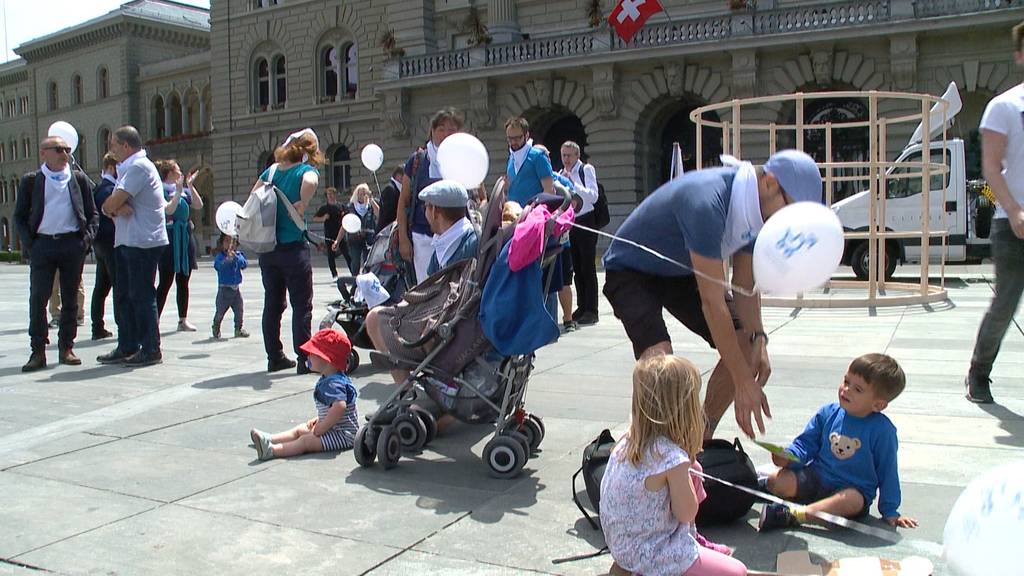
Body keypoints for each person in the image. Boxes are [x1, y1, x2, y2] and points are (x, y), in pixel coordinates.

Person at [602, 150, 823, 439]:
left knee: (745, 344)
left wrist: (758, 338)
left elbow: (744, 285)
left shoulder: (758, 209)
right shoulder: (707, 201)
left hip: (679, 270)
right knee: (661, 366)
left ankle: (700, 436)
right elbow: (712, 302)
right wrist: (742, 380)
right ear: (770, 183)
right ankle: (645, 447)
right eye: (791, 209)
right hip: (631, 270)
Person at [601, 354, 748, 576]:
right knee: (738, 571)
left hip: (621, 547)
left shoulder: (626, 441)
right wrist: (685, 467)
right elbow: (687, 512)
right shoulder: (672, 459)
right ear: (683, 409)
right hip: (653, 553)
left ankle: (691, 541)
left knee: (695, 469)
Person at [758, 353, 918, 532]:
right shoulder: (828, 412)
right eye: (846, 381)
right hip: (816, 477)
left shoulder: (883, 431)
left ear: (878, 405)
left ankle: (795, 515)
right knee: (777, 480)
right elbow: (806, 444)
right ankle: (761, 487)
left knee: (852, 501)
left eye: (858, 389)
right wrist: (788, 458)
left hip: (851, 489)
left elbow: (888, 470)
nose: (846, 390)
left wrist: (890, 509)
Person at [365, 180, 479, 391]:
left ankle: (407, 391)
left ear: (435, 211)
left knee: (374, 319)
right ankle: (407, 391)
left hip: (447, 328)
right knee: (378, 317)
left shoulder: (469, 242)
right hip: (444, 319)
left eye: (426, 207)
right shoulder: (453, 238)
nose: (424, 213)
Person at [966, 21, 1024, 404]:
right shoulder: (1005, 106)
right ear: (1020, 55)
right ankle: (979, 373)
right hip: (1013, 224)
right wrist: (1015, 210)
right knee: (1006, 303)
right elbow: (991, 167)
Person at [14, 135, 98, 372]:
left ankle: (66, 348)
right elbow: (19, 216)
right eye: (59, 149)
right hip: (43, 245)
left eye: (67, 149)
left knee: (71, 299)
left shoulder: (78, 179)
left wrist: (85, 241)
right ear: (44, 153)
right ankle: (38, 351)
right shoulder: (31, 181)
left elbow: (93, 214)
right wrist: (31, 244)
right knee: (38, 299)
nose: (65, 154)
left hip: (71, 244)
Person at [98, 125, 169, 367]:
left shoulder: (138, 167)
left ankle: (150, 349)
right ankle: (128, 345)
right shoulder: (130, 168)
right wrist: (114, 206)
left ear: (126, 146)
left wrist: (114, 206)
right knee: (127, 296)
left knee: (141, 296)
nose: (111, 150)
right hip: (131, 240)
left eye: (114, 145)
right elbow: (111, 205)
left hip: (142, 242)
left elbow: (111, 203)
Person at [255, 128, 321, 374]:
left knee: (272, 303)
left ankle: (275, 357)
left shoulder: (270, 171)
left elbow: (254, 197)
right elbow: (311, 181)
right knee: (302, 305)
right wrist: (302, 202)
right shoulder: (304, 170)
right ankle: (304, 359)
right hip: (293, 247)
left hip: (268, 248)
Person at [249, 328, 358, 460]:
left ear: (327, 359)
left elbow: (340, 407)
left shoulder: (334, 383)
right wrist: (320, 419)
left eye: (312, 354)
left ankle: (272, 450)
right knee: (300, 429)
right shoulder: (330, 379)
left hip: (343, 435)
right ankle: (269, 439)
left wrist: (323, 427)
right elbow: (333, 409)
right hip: (333, 428)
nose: (308, 356)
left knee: (305, 441)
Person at [397, 107, 463, 283]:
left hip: (455, 238)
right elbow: (403, 202)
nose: (446, 134)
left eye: (451, 130)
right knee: (427, 287)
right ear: (432, 131)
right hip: (423, 238)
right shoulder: (418, 160)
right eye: (441, 129)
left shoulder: (463, 160)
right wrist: (403, 238)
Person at [154, 159, 198, 331]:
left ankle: (183, 319)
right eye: (177, 169)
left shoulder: (184, 189)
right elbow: (169, 210)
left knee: (183, 279)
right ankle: (154, 319)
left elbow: (198, 204)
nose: (181, 171)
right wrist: (179, 190)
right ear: (170, 172)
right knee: (165, 280)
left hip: (185, 236)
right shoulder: (161, 189)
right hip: (171, 237)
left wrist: (190, 186)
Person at [560, 140, 601, 326]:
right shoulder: (561, 174)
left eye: (569, 155)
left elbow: (593, 196)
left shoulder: (586, 170)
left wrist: (573, 183)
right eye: (563, 155)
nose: (566, 159)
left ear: (577, 156)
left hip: (587, 220)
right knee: (576, 266)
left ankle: (592, 310)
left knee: (588, 266)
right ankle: (581, 306)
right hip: (571, 222)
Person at [90, 153, 118, 340]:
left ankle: (97, 326)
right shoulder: (108, 190)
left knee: (101, 286)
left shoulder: (100, 188)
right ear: (111, 167)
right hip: (111, 242)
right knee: (118, 284)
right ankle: (123, 326)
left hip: (100, 242)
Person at [504, 116, 554, 206]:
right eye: (510, 138)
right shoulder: (511, 159)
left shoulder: (538, 156)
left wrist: (538, 212)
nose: (513, 142)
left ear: (526, 135)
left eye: (517, 138)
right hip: (514, 215)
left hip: (534, 215)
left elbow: (549, 190)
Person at [211, 233, 248, 339]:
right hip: (224, 290)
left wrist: (236, 258)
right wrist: (226, 260)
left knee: (239, 310)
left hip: (236, 289)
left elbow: (244, 264)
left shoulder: (238, 255)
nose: (230, 244)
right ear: (222, 244)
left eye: (233, 242)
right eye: (227, 241)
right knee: (220, 311)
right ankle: (216, 326)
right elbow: (217, 266)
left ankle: (238, 328)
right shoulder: (220, 257)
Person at [339, 183, 379, 275]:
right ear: (356, 195)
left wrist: (371, 200)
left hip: (369, 239)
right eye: (360, 194)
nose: (362, 196)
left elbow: (379, 215)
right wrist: (338, 240)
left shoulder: (371, 205)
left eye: (365, 194)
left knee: (368, 263)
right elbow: (344, 225)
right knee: (355, 263)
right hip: (354, 239)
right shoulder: (351, 207)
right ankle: (355, 284)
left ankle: (366, 282)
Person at [312, 187, 349, 279]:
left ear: (335, 195)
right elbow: (314, 218)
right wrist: (323, 218)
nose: (331, 196)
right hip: (329, 234)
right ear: (327, 196)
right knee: (331, 256)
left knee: (347, 254)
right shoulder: (324, 208)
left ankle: (353, 271)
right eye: (329, 194)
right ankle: (334, 274)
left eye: (332, 194)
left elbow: (348, 216)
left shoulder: (341, 206)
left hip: (340, 234)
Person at [376, 165, 404, 233]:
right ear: (398, 176)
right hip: (386, 231)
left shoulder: (399, 188)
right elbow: (388, 214)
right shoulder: (390, 189)